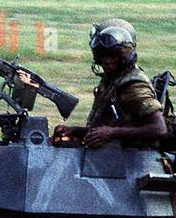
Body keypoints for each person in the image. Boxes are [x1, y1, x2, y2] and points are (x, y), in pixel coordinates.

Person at [52, 19, 168, 149]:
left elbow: (159, 129)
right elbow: (106, 128)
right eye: (103, 56)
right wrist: (74, 131)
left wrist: (111, 133)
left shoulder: (133, 86)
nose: (107, 61)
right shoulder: (112, 78)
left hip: (131, 160)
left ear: (124, 57)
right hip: (113, 154)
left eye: (113, 56)